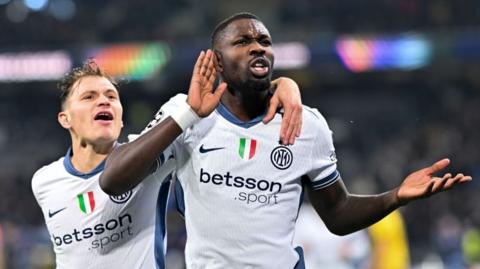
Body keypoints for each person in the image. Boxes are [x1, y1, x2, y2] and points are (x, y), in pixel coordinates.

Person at [100, 12, 472, 269]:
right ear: (216, 60)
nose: (258, 47)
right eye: (243, 41)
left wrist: (395, 196)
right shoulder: (187, 115)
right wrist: (187, 116)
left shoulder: (306, 124)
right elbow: (113, 178)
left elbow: (338, 214)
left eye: (264, 40)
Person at [31, 55, 304, 268]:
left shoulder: (152, 156)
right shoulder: (44, 182)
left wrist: (281, 84)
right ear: (65, 119)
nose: (103, 102)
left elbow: (231, 108)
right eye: (89, 97)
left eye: (111, 97)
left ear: (121, 118)